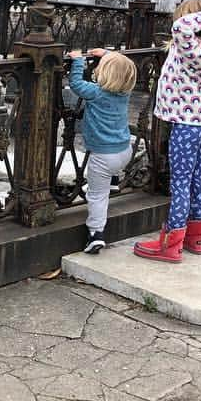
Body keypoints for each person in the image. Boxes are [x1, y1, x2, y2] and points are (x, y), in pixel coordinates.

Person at [134, 0, 201, 263]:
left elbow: (181, 26)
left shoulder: (193, 46)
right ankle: (197, 237)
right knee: (196, 180)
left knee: (179, 183)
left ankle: (171, 243)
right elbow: (195, 27)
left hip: (186, 127)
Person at [67, 47, 138, 254]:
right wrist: (107, 54)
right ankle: (114, 182)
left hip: (103, 157)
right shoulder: (125, 92)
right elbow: (121, 67)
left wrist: (78, 61)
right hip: (125, 151)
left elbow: (76, 84)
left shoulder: (96, 92)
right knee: (109, 175)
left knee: (97, 195)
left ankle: (96, 234)